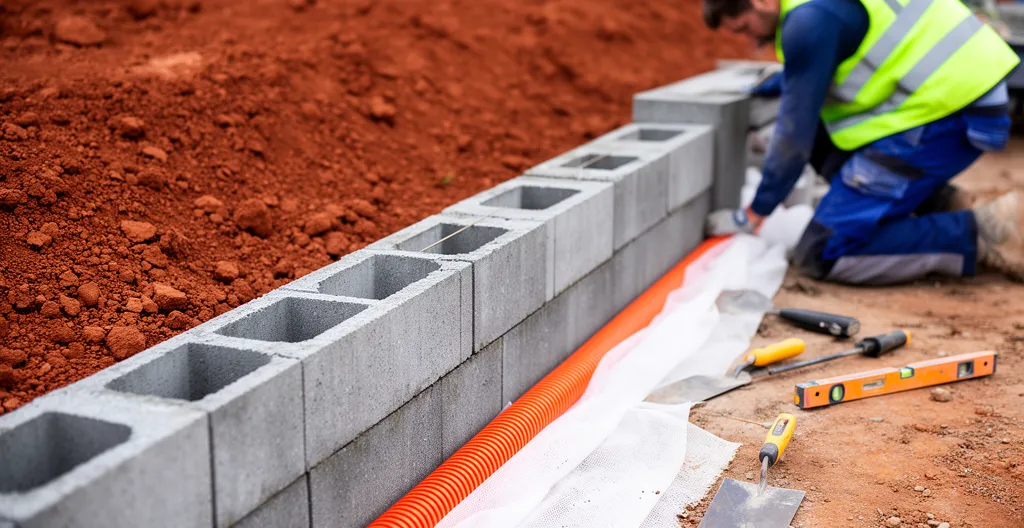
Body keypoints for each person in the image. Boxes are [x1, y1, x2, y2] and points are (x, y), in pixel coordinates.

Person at [702, 0, 1024, 284]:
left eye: (745, 27)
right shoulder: (813, 9)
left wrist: (755, 213)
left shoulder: (807, 20)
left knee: (824, 251)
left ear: (761, 2)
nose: (752, 39)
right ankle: (941, 202)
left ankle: (985, 232)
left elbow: (793, 142)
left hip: (952, 112)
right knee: (825, 138)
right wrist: (779, 82)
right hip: (958, 94)